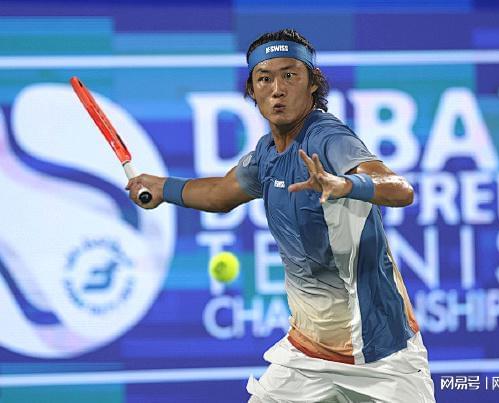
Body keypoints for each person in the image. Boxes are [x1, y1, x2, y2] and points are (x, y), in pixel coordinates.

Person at [127, 28, 435, 403]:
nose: (277, 89)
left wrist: (345, 184)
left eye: (290, 75)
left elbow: (400, 189)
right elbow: (220, 194)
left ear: (312, 84)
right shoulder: (267, 154)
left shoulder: (328, 138)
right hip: (307, 357)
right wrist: (164, 188)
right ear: (252, 90)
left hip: (384, 356)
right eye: (265, 78)